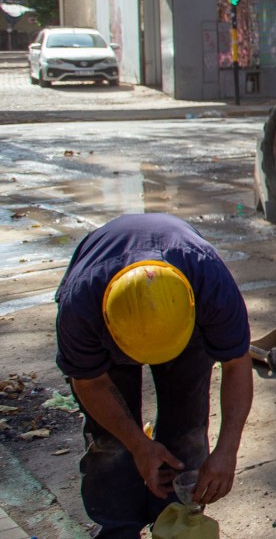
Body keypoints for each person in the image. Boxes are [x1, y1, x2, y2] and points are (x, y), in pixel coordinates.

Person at [55, 214, 252, 538]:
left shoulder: (210, 284)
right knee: (112, 444)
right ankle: (118, 528)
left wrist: (227, 450)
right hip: (105, 320)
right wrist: (138, 445)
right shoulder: (81, 308)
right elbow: (91, 383)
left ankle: (174, 519)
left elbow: (236, 365)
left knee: (186, 429)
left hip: (186, 324)